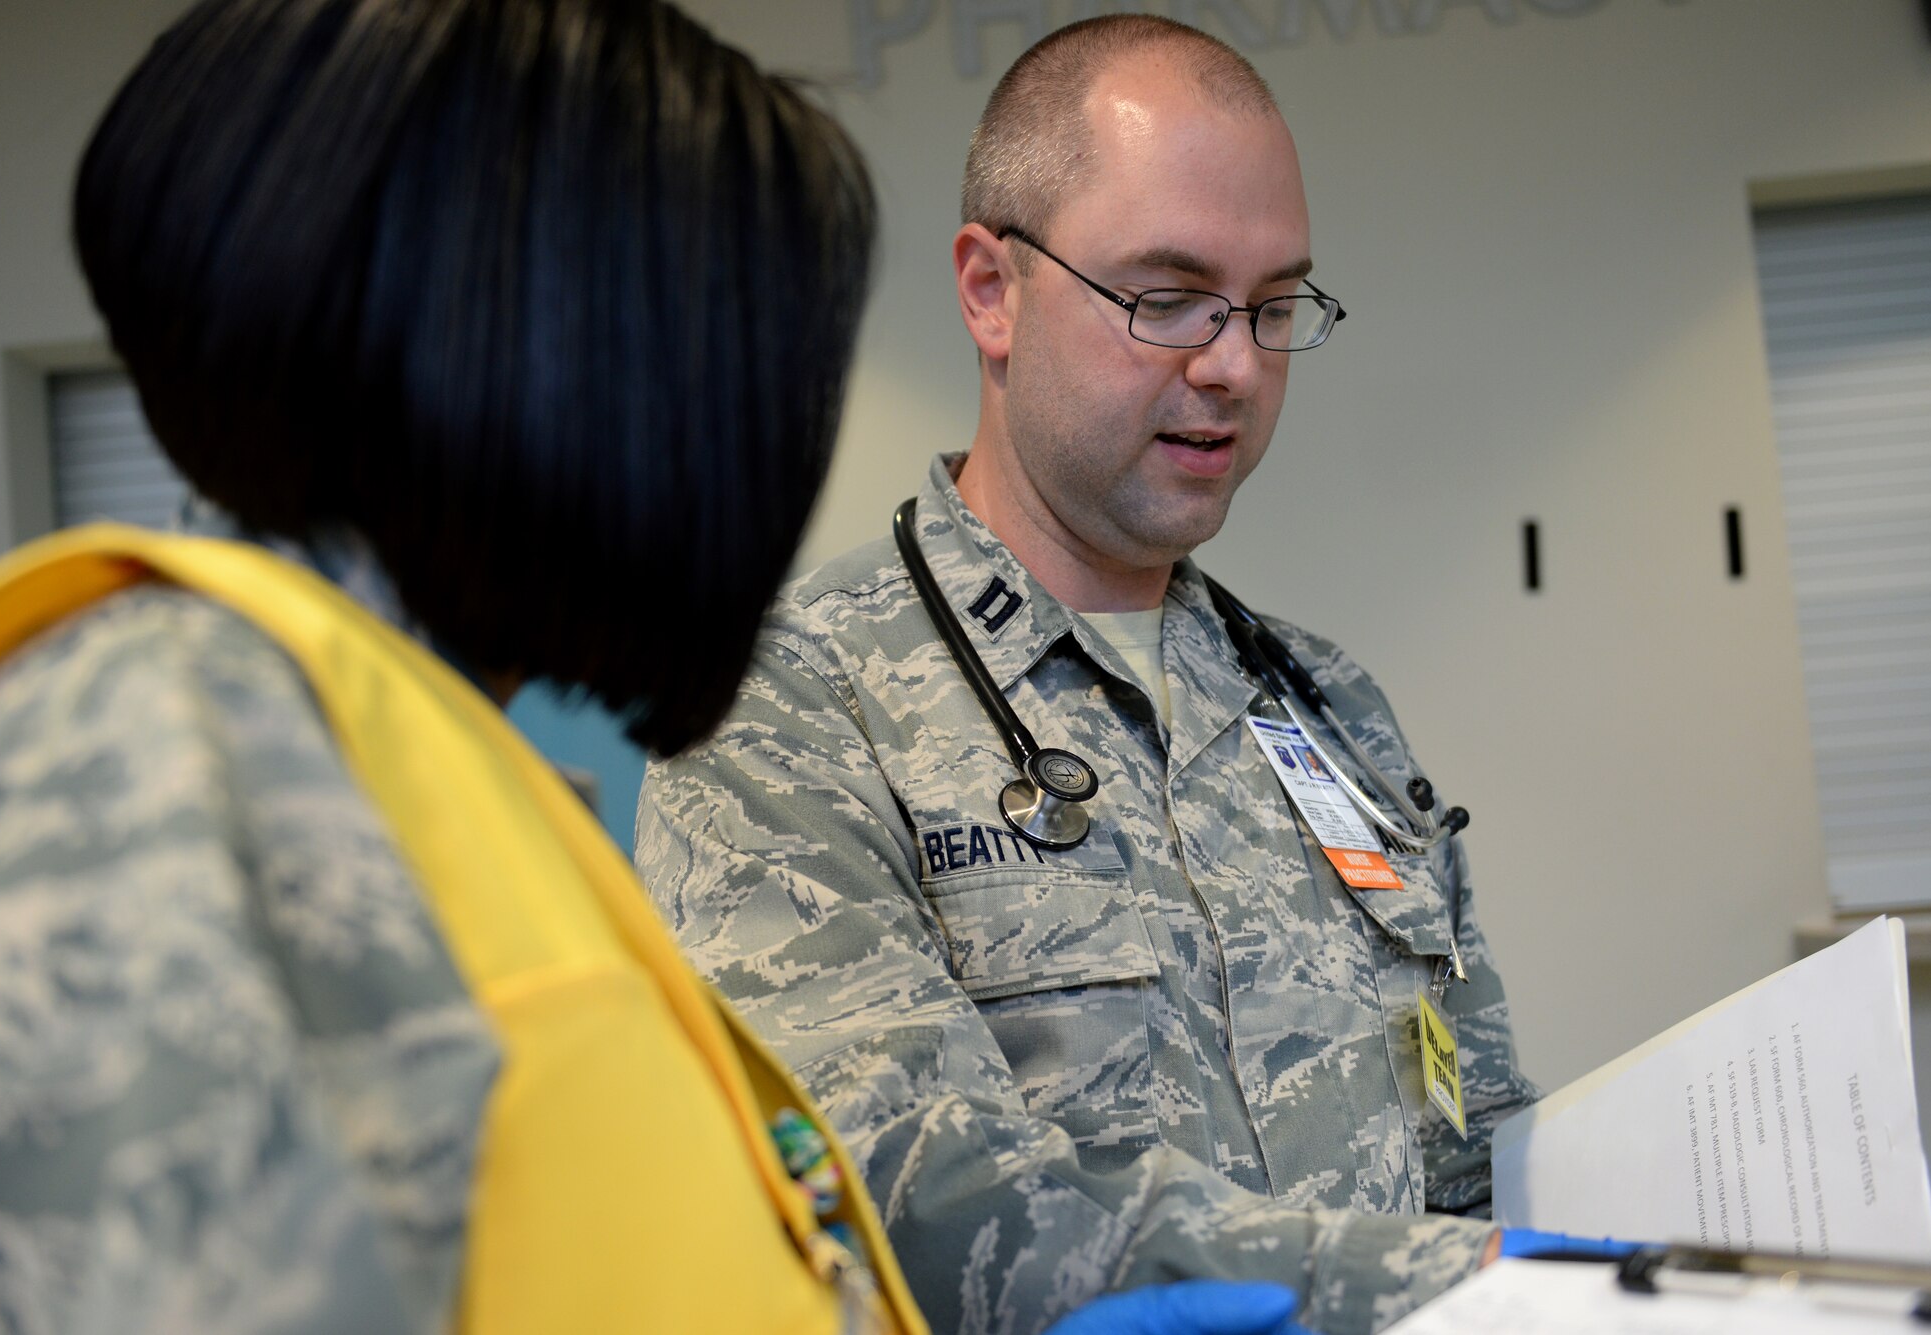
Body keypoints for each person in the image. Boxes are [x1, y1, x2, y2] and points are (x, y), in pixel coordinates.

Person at [0, 3, 1307, 1333]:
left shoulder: (424, 753)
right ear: (528, 360)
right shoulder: (162, 738)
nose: (777, 439)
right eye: (751, 358)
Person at [636, 15, 1542, 1335]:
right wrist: (1468, 1284)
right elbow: (919, 1202)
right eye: (1167, 297)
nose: (1233, 363)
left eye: (1274, 305)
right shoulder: (787, 703)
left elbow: (1468, 1123)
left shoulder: (1325, 709)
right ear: (991, 291)